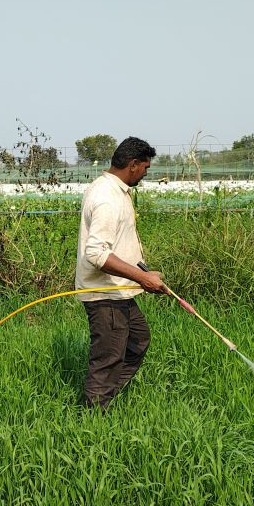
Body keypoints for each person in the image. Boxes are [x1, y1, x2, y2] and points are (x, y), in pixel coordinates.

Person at [76, 137, 167, 409]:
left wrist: (143, 270)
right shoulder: (106, 198)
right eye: (145, 168)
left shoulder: (115, 190)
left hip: (119, 290)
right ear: (133, 164)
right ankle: (95, 416)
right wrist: (142, 278)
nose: (146, 174)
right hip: (104, 293)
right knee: (108, 358)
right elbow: (97, 254)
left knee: (137, 341)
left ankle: (107, 399)